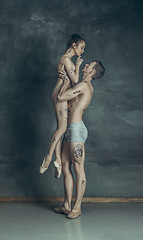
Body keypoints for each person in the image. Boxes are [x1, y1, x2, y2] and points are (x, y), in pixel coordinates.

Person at [54, 60, 105, 219]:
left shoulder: (84, 86)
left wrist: (64, 80)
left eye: (89, 65)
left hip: (76, 130)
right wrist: (68, 78)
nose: (87, 64)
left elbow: (61, 97)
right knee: (65, 165)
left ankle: (77, 207)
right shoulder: (82, 85)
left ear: (92, 72)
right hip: (69, 129)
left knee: (78, 167)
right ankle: (67, 205)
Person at [39, 34, 85, 178]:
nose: (83, 51)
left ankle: (57, 160)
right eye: (81, 47)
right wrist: (78, 66)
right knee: (62, 128)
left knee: (60, 128)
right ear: (74, 45)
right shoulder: (66, 59)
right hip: (60, 94)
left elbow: (72, 80)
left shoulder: (66, 60)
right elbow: (75, 80)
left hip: (61, 93)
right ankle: (48, 156)